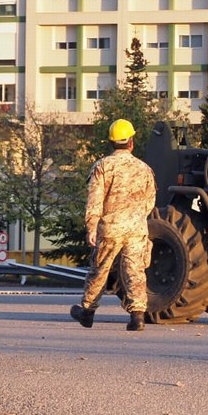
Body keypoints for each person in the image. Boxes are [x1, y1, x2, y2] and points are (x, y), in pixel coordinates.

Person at [70, 118, 158, 332]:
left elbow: (95, 200)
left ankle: (87, 312)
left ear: (111, 142)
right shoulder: (144, 169)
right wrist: (136, 217)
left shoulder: (102, 167)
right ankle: (137, 316)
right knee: (135, 271)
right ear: (131, 142)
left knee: (99, 269)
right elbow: (150, 201)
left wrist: (92, 226)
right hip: (136, 228)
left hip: (110, 228)